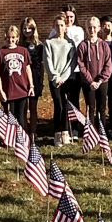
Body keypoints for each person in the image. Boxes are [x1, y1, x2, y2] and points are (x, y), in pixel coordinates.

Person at [44, 13, 76, 145]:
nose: (59, 27)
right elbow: (47, 61)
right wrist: (55, 77)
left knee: (66, 105)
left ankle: (66, 133)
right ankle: (57, 134)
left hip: (67, 79)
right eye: (57, 25)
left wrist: (63, 77)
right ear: (53, 26)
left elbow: (72, 63)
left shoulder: (70, 43)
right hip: (54, 80)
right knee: (58, 105)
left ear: (65, 27)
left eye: (62, 25)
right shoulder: (49, 43)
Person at [76, 16, 112, 130]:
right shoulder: (82, 46)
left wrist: (100, 80)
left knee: (101, 107)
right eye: (90, 27)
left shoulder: (104, 45)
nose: (92, 30)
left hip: (102, 82)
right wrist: (90, 81)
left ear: (99, 28)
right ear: (86, 28)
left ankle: (102, 131)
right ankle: (91, 131)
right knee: (90, 107)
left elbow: (108, 64)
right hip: (88, 83)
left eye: (94, 27)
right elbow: (81, 64)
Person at [0, 24, 34, 123]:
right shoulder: (0, 52)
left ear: (17, 38)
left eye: (13, 37)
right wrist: (1, 91)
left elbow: (28, 68)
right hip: (8, 90)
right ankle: (11, 138)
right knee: (10, 118)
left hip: (22, 89)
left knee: (21, 117)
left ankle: (19, 137)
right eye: (8, 37)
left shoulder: (23, 51)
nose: (10, 40)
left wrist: (31, 86)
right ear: (5, 37)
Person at [21, 17, 44, 139]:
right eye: (24, 28)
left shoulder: (39, 46)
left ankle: (33, 132)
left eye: (29, 28)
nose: (27, 30)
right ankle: (24, 130)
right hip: (21, 78)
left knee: (33, 107)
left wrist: (40, 82)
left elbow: (41, 65)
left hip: (35, 76)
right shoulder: (19, 45)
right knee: (23, 108)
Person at [100, 15, 112, 133]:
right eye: (104, 25)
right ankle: (100, 127)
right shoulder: (97, 42)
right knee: (101, 104)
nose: (106, 28)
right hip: (100, 77)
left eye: (109, 25)